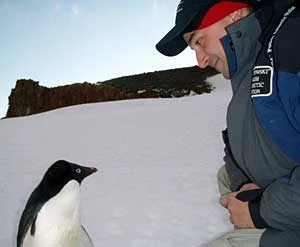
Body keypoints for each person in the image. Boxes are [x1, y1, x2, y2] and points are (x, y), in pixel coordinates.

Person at [156, 0, 300, 246]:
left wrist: (258, 212)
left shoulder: (290, 47)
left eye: (199, 41)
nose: (200, 61)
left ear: (233, 15)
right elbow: (234, 145)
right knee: (226, 176)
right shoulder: (250, 63)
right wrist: (245, 185)